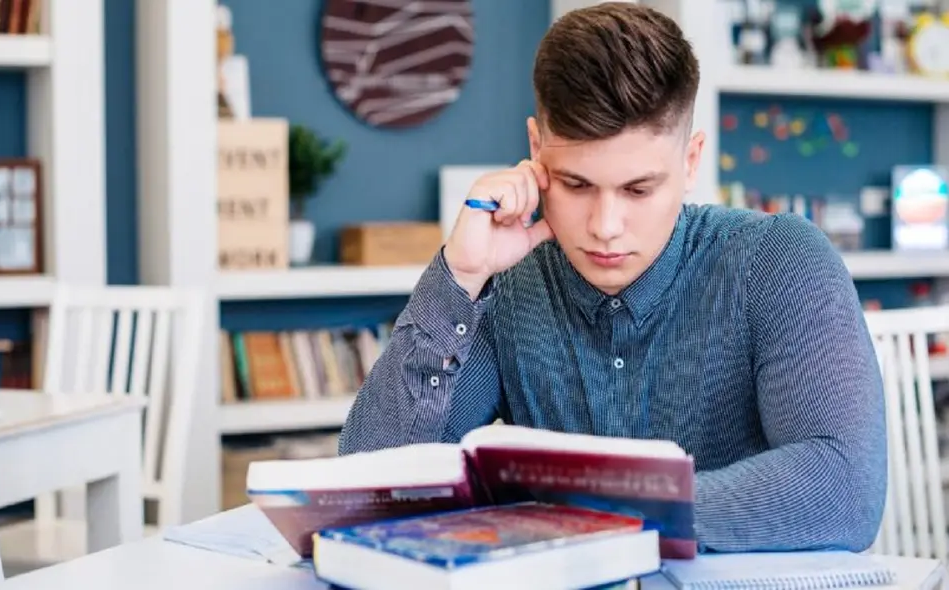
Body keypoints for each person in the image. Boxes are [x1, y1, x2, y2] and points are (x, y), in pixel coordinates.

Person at [337, 2, 886, 553]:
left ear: (691, 161)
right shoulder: (506, 287)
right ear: (536, 150)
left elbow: (845, 490)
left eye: (638, 190)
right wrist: (459, 279)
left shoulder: (778, 260)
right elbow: (367, 490)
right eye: (575, 185)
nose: (604, 227)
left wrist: (604, 514)